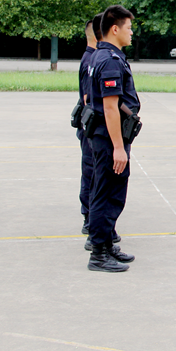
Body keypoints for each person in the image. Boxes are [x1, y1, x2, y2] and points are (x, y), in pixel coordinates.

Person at [85, 5, 141, 272]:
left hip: (105, 137)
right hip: (109, 139)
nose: (132, 33)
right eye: (129, 28)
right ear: (115, 29)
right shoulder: (109, 60)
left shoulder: (102, 55)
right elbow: (109, 106)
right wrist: (119, 147)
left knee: (107, 192)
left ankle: (106, 245)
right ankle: (98, 254)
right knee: (107, 195)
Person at [76, 19, 97, 236]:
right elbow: (87, 98)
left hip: (88, 126)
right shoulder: (90, 60)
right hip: (89, 127)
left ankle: (91, 214)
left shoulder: (91, 57)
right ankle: (89, 217)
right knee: (91, 172)